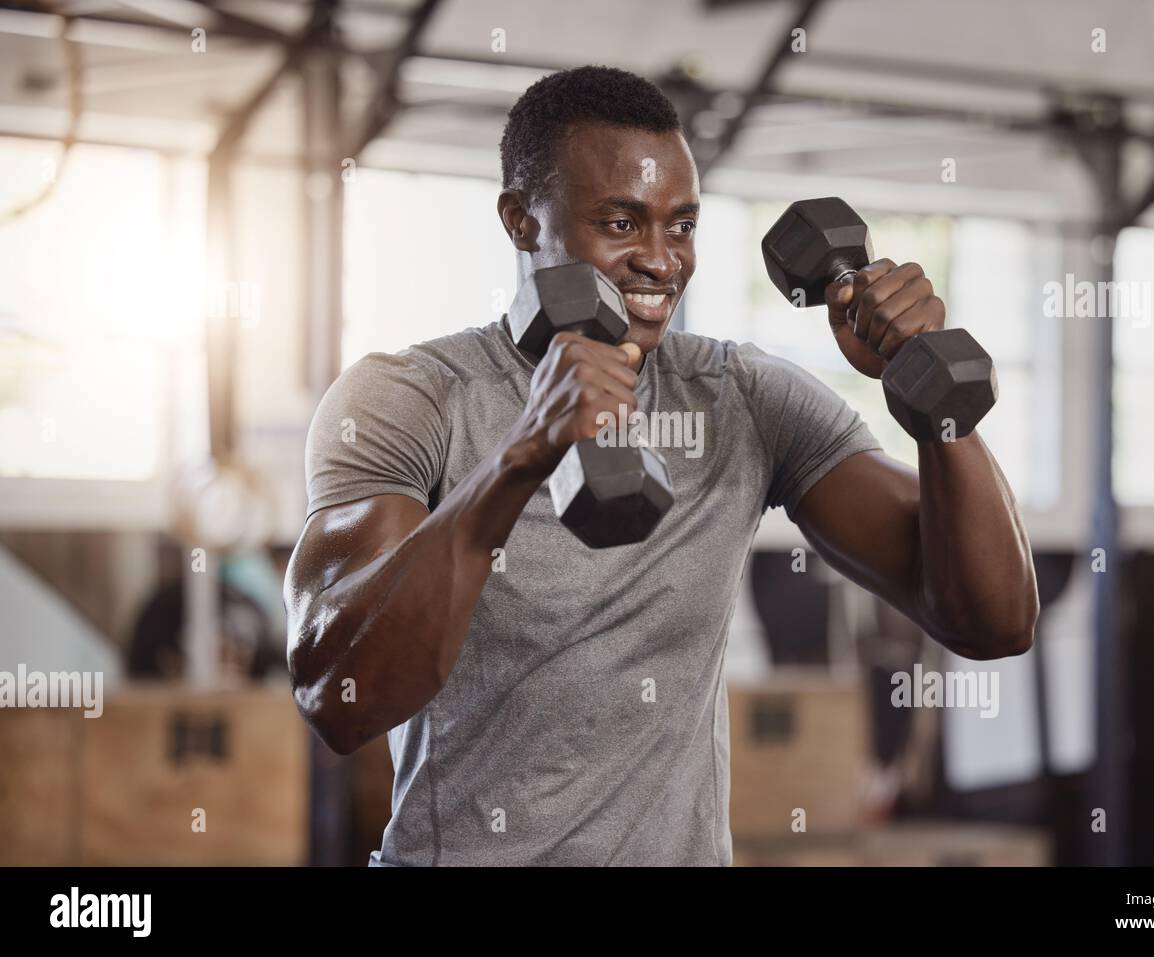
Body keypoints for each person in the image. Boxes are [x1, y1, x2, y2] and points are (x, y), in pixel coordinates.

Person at [284, 65, 1038, 866]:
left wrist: (930, 395)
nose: (659, 260)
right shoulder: (410, 399)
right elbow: (339, 696)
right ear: (520, 220)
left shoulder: (741, 396)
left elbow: (991, 620)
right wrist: (520, 457)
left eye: (680, 226)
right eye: (620, 222)